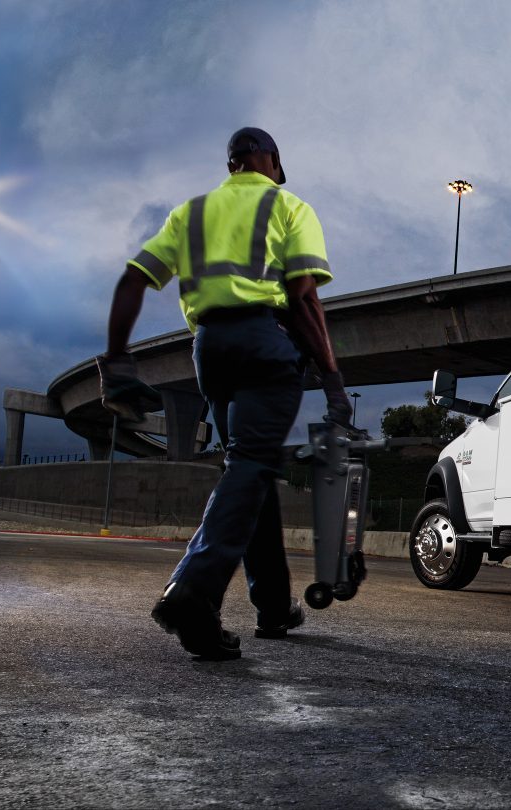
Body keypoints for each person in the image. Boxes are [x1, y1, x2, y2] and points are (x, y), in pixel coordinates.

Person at [98, 127, 353, 660]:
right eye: (279, 165)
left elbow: (132, 280)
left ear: (232, 163)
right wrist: (333, 382)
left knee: (249, 468)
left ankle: (273, 607)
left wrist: (118, 358)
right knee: (251, 465)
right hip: (265, 345)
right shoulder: (289, 206)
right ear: (270, 161)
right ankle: (192, 591)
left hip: (209, 350)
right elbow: (305, 301)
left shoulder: (190, 213)